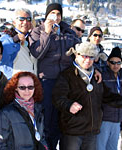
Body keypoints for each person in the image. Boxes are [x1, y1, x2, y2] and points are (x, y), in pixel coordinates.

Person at [52, 42, 122, 150]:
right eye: (84, 56)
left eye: (91, 57)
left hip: (91, 131)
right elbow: (58, 97)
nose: (88, 60)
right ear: (76, 55)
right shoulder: (67, 75)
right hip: (72, 131)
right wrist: (69, 105)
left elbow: (108, 96)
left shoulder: (96, 77)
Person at [28, 3, 80, 149]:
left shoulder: (68, 32)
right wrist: (47, 32)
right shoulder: (37, 31)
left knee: (61, 120)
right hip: (47, 81)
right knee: (47, 121)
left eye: (58, 14)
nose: (55, 17)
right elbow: (38, 52)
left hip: (65, 82)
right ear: (46, 15)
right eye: (52, 13)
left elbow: (80, 54)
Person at [1, 71, 48, 150]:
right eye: (22, 87)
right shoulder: (6, 113)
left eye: (30, 87)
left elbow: (42, 137)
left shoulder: (38, 109)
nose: (27, 91)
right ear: (15, 88)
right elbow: (2, 143)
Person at [96, 47, 122, 150]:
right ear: (108, 63)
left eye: (118, 62)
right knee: (100, 147)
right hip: (104, 119)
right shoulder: (103, 75)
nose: (116, 65)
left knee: (112, 147)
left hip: (118, 120)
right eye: (113, 62)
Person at [0, 8, 37, 79]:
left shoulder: (34, 39)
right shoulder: (6, 38)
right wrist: (14, 41)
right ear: (14, 22)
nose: (25, 22)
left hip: (31, 84)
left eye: (28, 19)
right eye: (21, 19)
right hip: (14, 83)